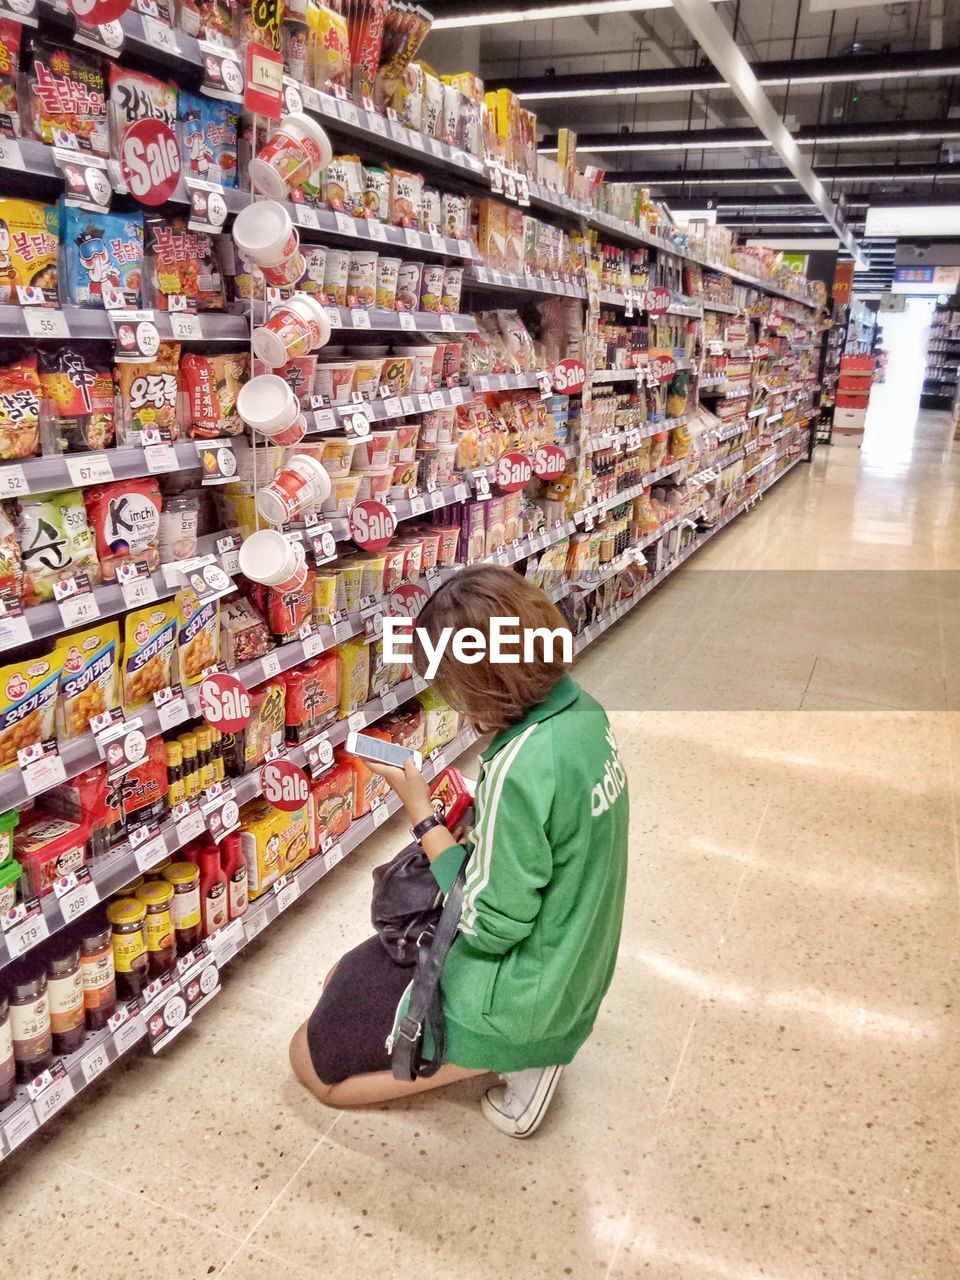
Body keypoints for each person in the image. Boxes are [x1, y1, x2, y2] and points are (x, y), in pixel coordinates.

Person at [289, 566, 629, 1137]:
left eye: (452, 685)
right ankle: (523, 1040)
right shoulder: (583, 714)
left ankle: (514, 1054)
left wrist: (420, 813)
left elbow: (491, 924)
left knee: (311, 1065)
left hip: (525, 986)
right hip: (576, 959)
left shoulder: (520, 765)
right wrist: (453, 818)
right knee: (336, 978)